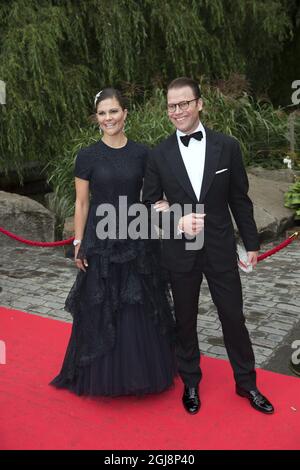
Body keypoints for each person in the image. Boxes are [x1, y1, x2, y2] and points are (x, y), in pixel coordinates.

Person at [143, 77, 274, 415]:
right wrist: (176, 219)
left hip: (219, 246)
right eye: (172, 105)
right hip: (179, 249)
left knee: (233, 316)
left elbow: (239, 199)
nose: (178, 111)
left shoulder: (227, 146)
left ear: (199, 104)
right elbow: (149, 204)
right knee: (184, 319)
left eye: (184, 103)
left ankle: (247, 383)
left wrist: (252, 243)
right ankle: (190, 382)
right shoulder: (159, 153)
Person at [50, 88, 176, 397]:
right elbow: (81, 203)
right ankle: (102, 374)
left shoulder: (143, 153)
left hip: (136, 235)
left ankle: (139, 370)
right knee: (102, 301)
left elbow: (152, 197)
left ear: (125, 114)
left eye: (114, 111)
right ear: (97, 118)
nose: (109, 118)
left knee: (137, 302)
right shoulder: (88, 156)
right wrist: (78, 241)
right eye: (103, 113)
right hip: (101, 238)